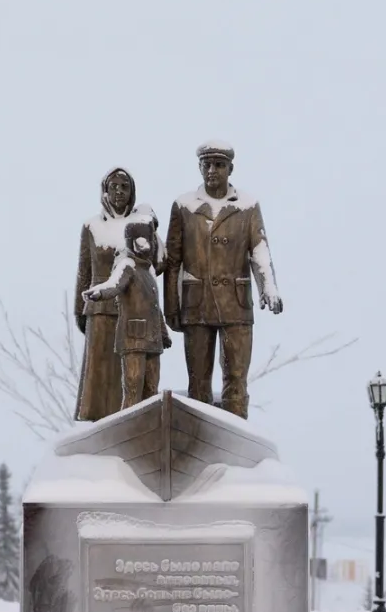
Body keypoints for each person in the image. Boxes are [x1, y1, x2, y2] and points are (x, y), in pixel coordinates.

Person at [162, 140, 282, 418]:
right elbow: (173, 262)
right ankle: (200, 441)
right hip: (196, 305)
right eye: (207, 165)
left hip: (236, 305)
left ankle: (234, 439)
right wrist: (171, 306)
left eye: (219, 165)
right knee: (198, 383)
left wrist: (269, 288)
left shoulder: (248, 206)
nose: (212, 170)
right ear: (200, 168)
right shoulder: (184, 206)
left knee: (236, 380)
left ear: (230, 168)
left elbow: (260, 251)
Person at [73, 168, 155, 421]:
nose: (119, 191)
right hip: (98, 311)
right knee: (99, 372)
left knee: (128, 374)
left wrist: (153, 222)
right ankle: (96, 422)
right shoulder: (92, 226)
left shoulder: (140, 225)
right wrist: (80, 309)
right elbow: (83, 271)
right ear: (105, 190)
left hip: (131, 309)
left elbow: (157, 262)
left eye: (124, 186)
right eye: (114, 186)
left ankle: (127, 422)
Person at [83, 217, 171, 408]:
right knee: (133, 387)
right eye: (139, 239)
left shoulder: (148, 271)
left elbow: (154, 308)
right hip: (133, 338)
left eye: (147, 239)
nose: (144, 244)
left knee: (151, 390)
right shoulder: (127, 265)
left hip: (153, 341)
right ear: (131, 241)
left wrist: (163, 334)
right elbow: (114, 285)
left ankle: (149, 428)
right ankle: (129, 428)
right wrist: (100, 292)